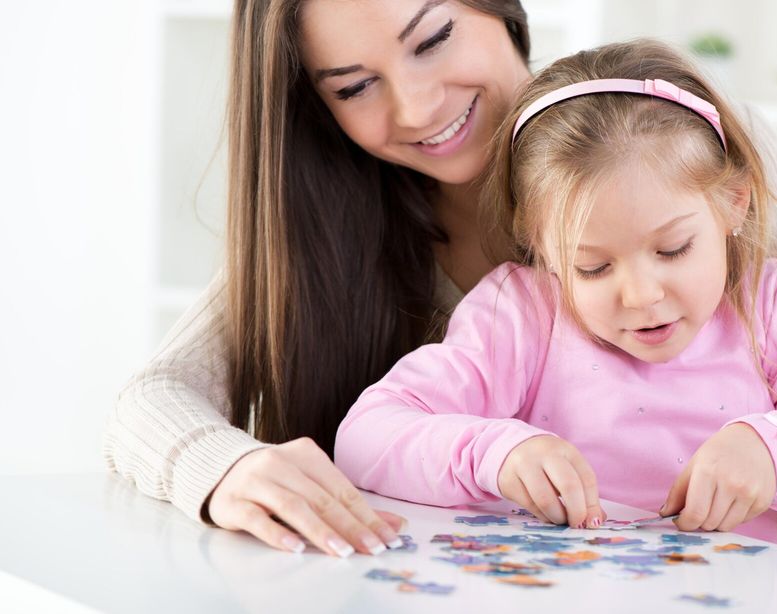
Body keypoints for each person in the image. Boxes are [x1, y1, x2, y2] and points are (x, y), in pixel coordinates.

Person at [334, 39, 777, 550]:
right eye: (593, 266)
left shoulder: (770, 305)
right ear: (540, 243)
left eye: (674, 249)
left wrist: (776, 452)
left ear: (734, 202)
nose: (641, 295)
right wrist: (495, 454)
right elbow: (364, 440)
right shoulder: (523, 313)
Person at [103, 0, 532, 558]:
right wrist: (231, 466)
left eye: (433, 40)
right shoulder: (331, 227)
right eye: (354, 88)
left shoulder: (646, 137)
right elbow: (150, 399)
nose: (417, 107)